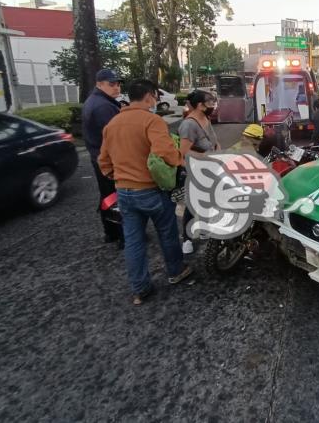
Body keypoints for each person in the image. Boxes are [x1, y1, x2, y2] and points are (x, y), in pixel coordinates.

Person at [98, 79, 191, 305]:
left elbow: (103, 161)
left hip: (125, 193)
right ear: (149, 96)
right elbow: (165, 151)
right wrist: (179, 159)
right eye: (155, 96)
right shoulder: (152, 121)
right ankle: (175, 271)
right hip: (151, 191)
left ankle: (140, 289)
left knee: (133, 241)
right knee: (167, 233)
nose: (156, 100)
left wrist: (118, 178)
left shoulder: (112, 124)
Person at [81, 69, 124, 247]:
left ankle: (111, 233)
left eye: (118, 83)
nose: (116, 87)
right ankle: (124, 236)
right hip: (109, 160)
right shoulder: (103, 106)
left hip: (98, 157)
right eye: (111, 84)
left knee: (108, 196)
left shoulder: (96, 101)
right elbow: (115, 136)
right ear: (99, 84)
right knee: (117, 198)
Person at [178, 91, 221, 247]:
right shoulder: (189, 124)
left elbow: (214, 141)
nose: (213, 106)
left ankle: (203, 229)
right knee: (191, 205)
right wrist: (206, 157)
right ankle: (187, 240)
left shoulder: (205, 118)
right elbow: (183, 152)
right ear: (199, 105)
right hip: (194, 170)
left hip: (209, 169)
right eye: (209, 103)